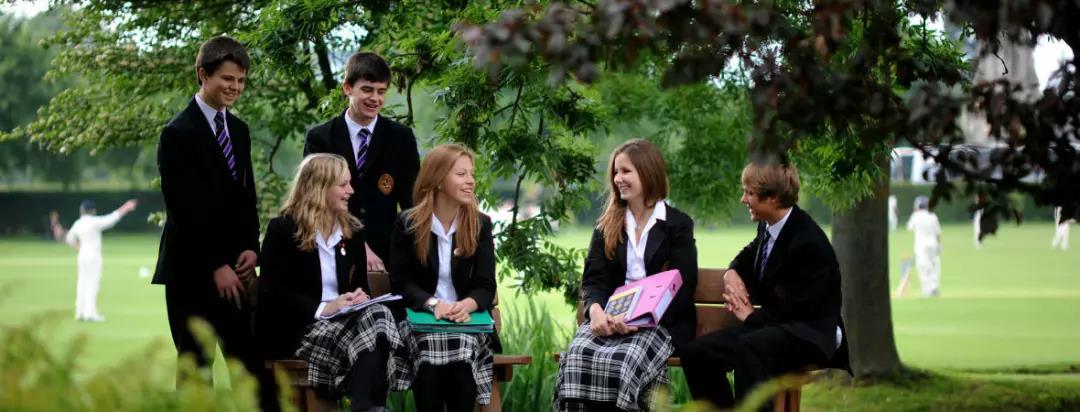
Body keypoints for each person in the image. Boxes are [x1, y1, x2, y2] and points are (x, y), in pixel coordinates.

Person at [152, 36, 275, 409]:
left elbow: (246, 198)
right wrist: (215, 265)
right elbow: (183, 209)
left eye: (241, 80)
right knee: (196, 377)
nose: (235, 87)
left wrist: (251, 247)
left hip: (237, 273)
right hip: (191, 274)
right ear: (203, 75)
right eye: (227, 79)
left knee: (252, 372)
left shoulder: (239, 131)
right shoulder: (177, 134)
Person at [680, 159, 848, 410]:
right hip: (771, 328)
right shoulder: (768, 226)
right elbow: (749, 254)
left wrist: (750, 316)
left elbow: (800, 314)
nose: (743, 199)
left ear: (772, 198)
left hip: (810, 335)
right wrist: (731, 273)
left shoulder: (809, 243)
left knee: (752, 348)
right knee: (697, 353)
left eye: (749, 193)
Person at [554, 139, 698, 412]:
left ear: (647, 172)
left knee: (624, 361)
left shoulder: (677, 225)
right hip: (610, 318)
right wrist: (596, 312)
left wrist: (637, 320)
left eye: (626, 171)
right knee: (577, 356)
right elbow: (594, 280)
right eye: (615, 172)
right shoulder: (607, 225)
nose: (618, 178)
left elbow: (683, 286)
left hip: (659, 323)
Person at [257, 153, 406, 412]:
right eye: (343, 184)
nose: (351, 191)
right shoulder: (283, 230)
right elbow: (272, 293)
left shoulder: (353, 232)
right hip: (300, 332)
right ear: (319, 188)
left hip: (348, 330)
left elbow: (360, 287)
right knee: (377, 325)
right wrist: (324, 308)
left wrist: (358, 298)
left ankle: (364, 406)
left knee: (380, 315)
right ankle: (367, 406)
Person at [388, 144, 498, 412]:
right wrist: (435, 304)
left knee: (462, 363)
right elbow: (401, 283)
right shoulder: (409, 223)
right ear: (437, 180)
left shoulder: (480, 224)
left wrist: (466, 306)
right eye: (461, 174)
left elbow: (485, 285)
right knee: (428, 364)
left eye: (471, 174)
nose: (470, 181)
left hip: (466, 322)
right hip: (422, 320)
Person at [305, 51, 420, 275]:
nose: (375, 98)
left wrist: (410, 252)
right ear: (347, 88)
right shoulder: (321, 138)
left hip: (389, 256)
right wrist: (359, 247)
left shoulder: (401, 137)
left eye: (381, 91)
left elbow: (412, 202)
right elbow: (315, 202)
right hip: (334, 250)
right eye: (367, 90)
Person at [65, 199, 137, 322]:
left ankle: (80, 312)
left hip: (82, 254)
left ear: (82, 210)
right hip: (93, 255)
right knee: (92, 283)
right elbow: (111, 219)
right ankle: (90, 313)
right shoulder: (93, 222)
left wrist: (79, 248)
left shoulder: (78, 223)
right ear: (93, 211)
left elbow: (69, 238)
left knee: (82, 283)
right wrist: (125, 207)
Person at [907, 196, 942, 297]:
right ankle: (934, 287)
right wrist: (939, 246)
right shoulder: (932, 215)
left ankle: (927, 290)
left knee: (923, 266)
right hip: (933, 243)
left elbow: (909, 227)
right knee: (934, 265)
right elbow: (938, 233)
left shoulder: (916, 215)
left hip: (921, 245)